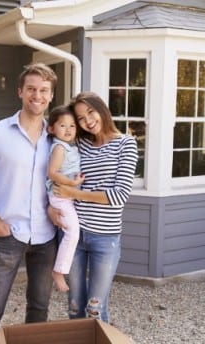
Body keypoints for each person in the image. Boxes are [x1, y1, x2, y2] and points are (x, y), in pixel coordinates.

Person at [0, 63, 58, 344]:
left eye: (44, 90)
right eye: (31, 89)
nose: (37, 95)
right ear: (20, 91)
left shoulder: (56, 138)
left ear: (51, 96)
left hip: (46, 235)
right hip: (9, 234)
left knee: (39, 309)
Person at [50, 91, 138, 323]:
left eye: (90, 112)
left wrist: (74, 193)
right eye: (80, 118)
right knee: (74, 306)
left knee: (95, 309)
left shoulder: (126, 144)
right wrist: (51, 207)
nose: (87, 121)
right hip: (73, 234)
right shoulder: (80, 143)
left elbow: (119, 195)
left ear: (102, 109)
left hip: (105, 239)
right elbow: (52, 169)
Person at [45, 105, 85, 292]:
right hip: (61, 196)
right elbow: (52, 173)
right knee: (72, 232)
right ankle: (58, 272)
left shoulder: (70, 147)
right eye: (63, 126)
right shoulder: (59, 148)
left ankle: (60, 270)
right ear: (51, 129)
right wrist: (72, 184)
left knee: (70, 231)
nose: (68, 130)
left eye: (72, 126)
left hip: (66, 195)